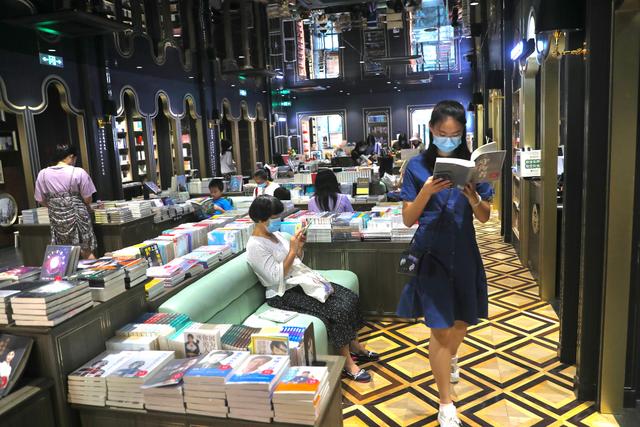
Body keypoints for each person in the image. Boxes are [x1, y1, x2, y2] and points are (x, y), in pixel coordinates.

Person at [397, 100, 493, 427]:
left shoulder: (474, 167)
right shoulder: (416, 166)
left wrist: (473, 197)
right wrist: (425, 192)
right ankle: (445, 404)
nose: (448, 139)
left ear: (463, 132)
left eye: (454, 134)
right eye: (442, 133)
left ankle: (449, 356)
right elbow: (408, 218)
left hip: (464, 253)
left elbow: (485, 216)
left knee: (461, 322)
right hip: (431, 254)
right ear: (431, 131)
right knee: (439, 329)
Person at [245, 196, 377, 382]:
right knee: (337, 310)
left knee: (349, 298)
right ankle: (347, 363)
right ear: (260, 219)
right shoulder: (255, 245)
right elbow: (275, 277)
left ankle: (355, 345)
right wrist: (292, 250)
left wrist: (299, 247)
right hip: (283, 293)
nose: (278, 221)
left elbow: (296, 261)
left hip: (301, 281)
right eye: (274, 217)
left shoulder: (276, 236)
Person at [34, 144, 98, 260]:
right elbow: (88, 199)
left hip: (56, 218)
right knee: (86, 250)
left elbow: (40, 199)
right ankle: (93, 272)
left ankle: (67, 272)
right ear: (71, 157)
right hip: (78, 217)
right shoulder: (78, 172)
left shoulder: (42, 174)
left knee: (62, 253)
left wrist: (56, 205)